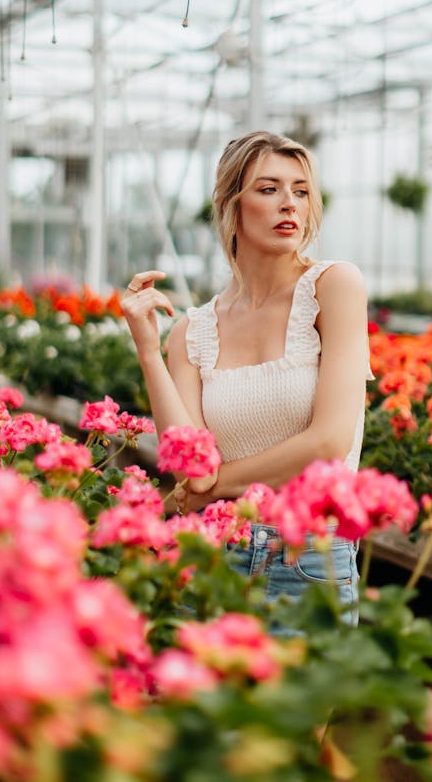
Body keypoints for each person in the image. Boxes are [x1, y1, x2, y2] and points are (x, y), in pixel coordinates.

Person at [121, 130, 369, 619]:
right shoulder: (191, 332)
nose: (289, 204)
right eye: (268, 188)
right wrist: (149, 349)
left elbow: (327, 445)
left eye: (300, 191)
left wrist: (208, 490)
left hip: (307, 562)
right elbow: (189, 467)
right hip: (211, 559)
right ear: (231, 206)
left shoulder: (334, 287)